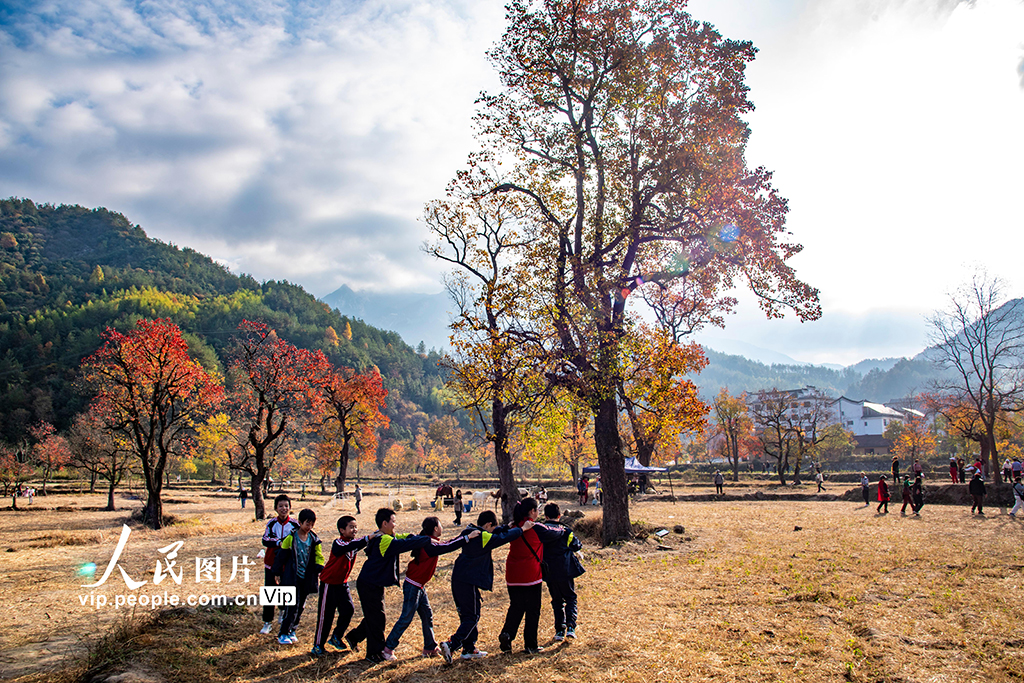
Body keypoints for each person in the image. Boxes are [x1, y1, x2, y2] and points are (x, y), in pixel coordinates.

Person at [438, 510, 530, 664]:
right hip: (468, 581)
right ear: (488, 524)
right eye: (493, 527)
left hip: (459, 579)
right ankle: (451, 644)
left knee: (467, 615)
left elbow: (496, 533)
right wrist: (522, 529)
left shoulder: (472, 531)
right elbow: (501, 538)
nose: (494, 530)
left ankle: (469, 648)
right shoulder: (483, 537)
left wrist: (506, 526)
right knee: (473, 617)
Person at [346, 508, 435, 663]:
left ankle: (354, 637)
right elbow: (404, 544)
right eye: (393, 521)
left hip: (374, 582)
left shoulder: (388, 536)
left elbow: (405, 537)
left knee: (374, 615)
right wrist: (427, 540)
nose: (395, 524)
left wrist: (418, 536)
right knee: (378, 618)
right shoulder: (383, 540)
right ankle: (374, 653)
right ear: (385, 523)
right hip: (368, 583)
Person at [382, 517, 474, 661]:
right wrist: (466, 538)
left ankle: (430, 647)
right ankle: (388, 648)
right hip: (413, 585)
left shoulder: (428, 540)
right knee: (406, 618)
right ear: (436, 529)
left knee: (427, 615)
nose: (442, 527)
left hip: (418, 585)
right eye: (441, 524)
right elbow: (447, 547)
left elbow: (447, 543)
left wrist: (464, 535)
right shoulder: (428, 544)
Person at [499, 498, 570, 656]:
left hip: (512, 573)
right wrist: (563, 529)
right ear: (531, 512)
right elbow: (555, 532)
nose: (539, 513)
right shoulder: (535, 527)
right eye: (537, 510)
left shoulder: (514, 526)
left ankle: (507, 634)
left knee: (516, 606)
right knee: (533, 609)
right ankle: (531, 644)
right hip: (530, 574)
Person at [310, 515, 371, 657]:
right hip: (328, 584)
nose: (354, 530)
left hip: (342, 584)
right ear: (342, 530)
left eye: (356, 527)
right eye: (351, 527)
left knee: (348, 610)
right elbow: (352, 545)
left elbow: (359, 544)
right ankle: (318, 645)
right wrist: (368, 538)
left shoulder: (353, 543)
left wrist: (375, 536)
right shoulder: (339, 543)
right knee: (326, 616)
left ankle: (336, 636)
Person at [272, 509, 324, 645]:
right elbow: (281, 556)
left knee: (301, 606)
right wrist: (277, 572)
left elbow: (318, 555)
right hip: (292, 577)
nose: (309, 527)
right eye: (307, 524)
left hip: (306, 578)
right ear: (300, 522)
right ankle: (283, 633)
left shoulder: (314, 539)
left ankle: (292, 630)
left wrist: (319, 567)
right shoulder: (291, 538)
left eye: (312, 524)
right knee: (292, 606)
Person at [542, 503, 584, 641]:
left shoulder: (542, 531)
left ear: (545, 516)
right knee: (570, 597)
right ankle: (571, 627)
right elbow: (577, 545)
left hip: (548, 571)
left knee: (557, 601)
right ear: (559, 516)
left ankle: (559, 630)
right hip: (565, 570)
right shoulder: (566, 531)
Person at [260, 494, 299, 635]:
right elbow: (265, 540)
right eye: (281, 506)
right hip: (271, 562)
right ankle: (267, 622)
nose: (284, 508)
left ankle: (283, 614)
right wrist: (279, 543)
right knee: (270, 590)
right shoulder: (271, 524)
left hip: (287, 563)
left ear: (290, 508)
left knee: (285, 589)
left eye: (286, 506)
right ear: (276, 508)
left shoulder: (295, 524)